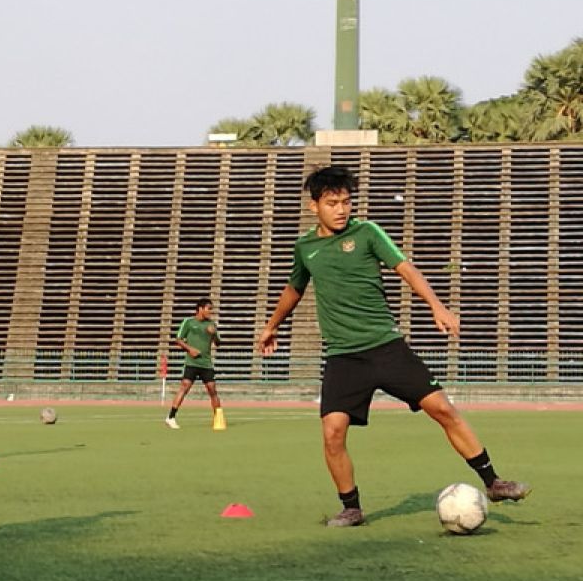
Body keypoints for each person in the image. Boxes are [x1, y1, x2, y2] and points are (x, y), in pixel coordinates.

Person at [257, 166, 530, 527]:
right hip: (344, 357)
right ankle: (351, 508)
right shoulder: (305, 247)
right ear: (314, 207)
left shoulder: (367, 232)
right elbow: (294, 289)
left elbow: (406, 269)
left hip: (386, 347)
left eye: (346, 202)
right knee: (332, 433)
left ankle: (493, 482)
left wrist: (437, 306)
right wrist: (271, 326)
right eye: (332, 203)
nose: (342, 210)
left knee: (443, 410)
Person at [164, 297, 225, 431]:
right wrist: (190, 349)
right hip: (192, 362)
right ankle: (171, 417)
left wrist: (214, 334)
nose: (210, 312)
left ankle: (218, 419)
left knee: (212, 390)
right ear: (200, 309)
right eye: (209, 309)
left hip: (206, 363)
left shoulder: (211, 324)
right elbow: (178, 339)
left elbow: (218, 343)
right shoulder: (188, 322)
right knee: (184, 388)